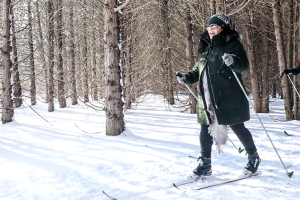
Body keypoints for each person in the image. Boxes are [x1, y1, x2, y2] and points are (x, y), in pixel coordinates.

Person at [176, 14, 260, 176]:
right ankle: (205, 163)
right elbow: (198, 71)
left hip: (229, 97)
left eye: (214, 26)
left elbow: (243, 65)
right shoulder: (206, 49)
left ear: (223, 28)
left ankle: (253, 157)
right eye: (208, 27)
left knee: (237, 127)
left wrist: (233, 60)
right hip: (207, 98)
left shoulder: (232, 45)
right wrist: (186, 77)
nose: (210, 30)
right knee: (205, 129)